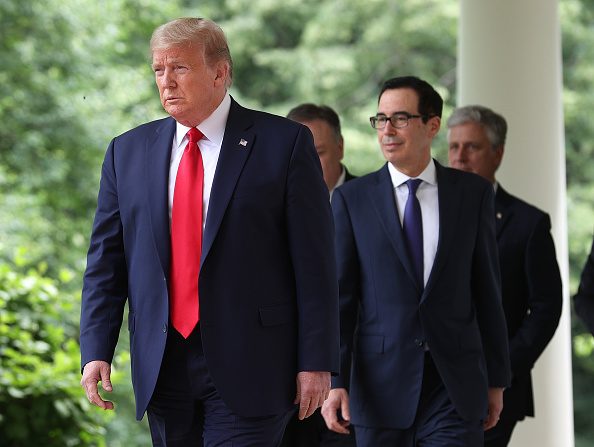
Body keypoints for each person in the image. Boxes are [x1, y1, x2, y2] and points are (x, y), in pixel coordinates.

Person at [79, 17, 339, 446]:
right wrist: (95, 349)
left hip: (254, 363)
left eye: (179, 68)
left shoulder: (285, 144)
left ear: (220, 72)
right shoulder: (126, 152)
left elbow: (315, 264)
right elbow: (107, 262)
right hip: (162, 365)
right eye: (158, 70)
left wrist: (317, 361)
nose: (166, 82)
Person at [321, 76, 511, 447]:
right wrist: (336, 380)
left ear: (432, 125)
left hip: (453, 385)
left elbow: (487, 292)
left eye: (400, 118)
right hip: (379, 386)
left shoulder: (471, 195)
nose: (387, 130)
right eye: (380, 119)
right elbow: (341, 300)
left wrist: (497, 380)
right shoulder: (351, 200)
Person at [447, 105, 563, 446]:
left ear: (497, 154)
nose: (459, 157)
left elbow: (546, 308)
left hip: (495, 388)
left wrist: (501, 369)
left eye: (472, 147)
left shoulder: (529, 224)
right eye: (453, 147)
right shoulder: (421, 213)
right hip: (425, 382)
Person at [282, 103, 357, 447]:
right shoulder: (265, 210)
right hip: (283, 382)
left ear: (341, 147)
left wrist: (339, 375)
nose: (309, 165)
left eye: (320, 153)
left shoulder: (370, 203)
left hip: (355, 383)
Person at [287, 104, 356, 201]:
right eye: (297, 155)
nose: (307, 165)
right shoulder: (275, 204)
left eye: (318, 153)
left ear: (340, 147)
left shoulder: (369, 196)